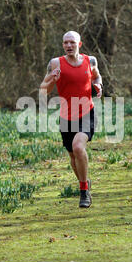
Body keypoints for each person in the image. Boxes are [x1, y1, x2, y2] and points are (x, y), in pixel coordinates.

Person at [39, 31, 102, 208]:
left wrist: (99, 85)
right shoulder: (55, 64)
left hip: (87, 112)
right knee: (73, 156)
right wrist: (53, 79)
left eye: (72, 43)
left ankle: (83, 193)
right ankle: (85, 184)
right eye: (65, 43)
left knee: (78, 147)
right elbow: (44, 89)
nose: (68, 46)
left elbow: (96, 75)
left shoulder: (90, 61)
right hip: (66, 116)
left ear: (79, 44)